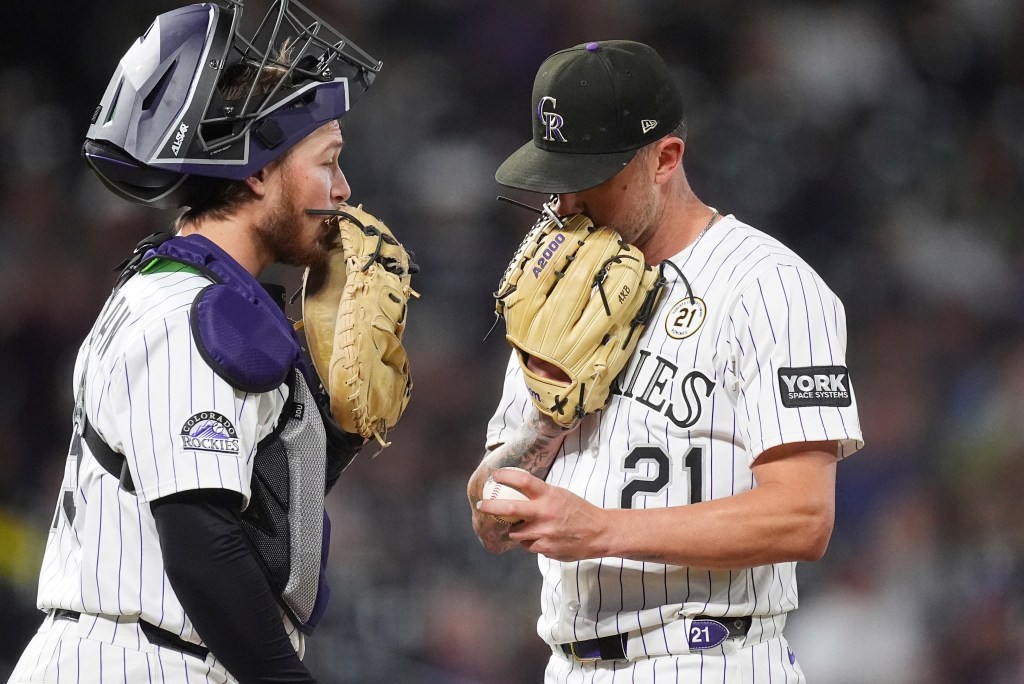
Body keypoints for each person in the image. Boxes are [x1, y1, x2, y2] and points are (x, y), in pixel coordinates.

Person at [8, 1, 382, 682]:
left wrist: (334, 433)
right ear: (259, 170)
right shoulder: (190, 313)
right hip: (139, 660)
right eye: (328, 162)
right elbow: (203, 546)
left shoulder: (194, 298)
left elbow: (248, 512)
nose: (345, 189)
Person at [468, 40, 864, 682]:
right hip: (570, 666)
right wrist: (539, 433)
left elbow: (803, 517)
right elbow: (489, 512)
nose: (565, 205)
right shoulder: (557, 285)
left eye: (587, 178)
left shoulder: (771, 286)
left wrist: (600, 530)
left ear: (665, 158)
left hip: (712, 657)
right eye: (553, 182)